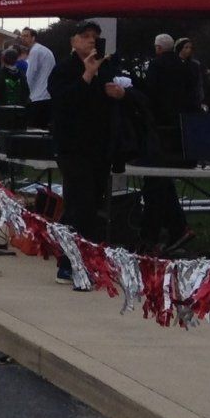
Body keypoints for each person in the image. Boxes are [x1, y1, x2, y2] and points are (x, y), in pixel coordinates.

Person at [48, 21, 128, 289]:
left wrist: (119, 94)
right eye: (85, 37)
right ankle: (70, 263)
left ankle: (81, 260)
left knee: (91, 206)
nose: (91, 41)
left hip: (99, 148)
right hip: (72, 148)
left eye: (95, 37)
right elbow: (63, 102)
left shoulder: (105, 66)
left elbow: (122, 90)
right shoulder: (64, 69)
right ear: (73, 41)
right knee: (78, 204)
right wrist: (86, 76)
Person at [21, 27, 56, 129]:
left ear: (33, 38)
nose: (23, 38)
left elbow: (30, 74)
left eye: (26, 36)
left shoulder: (35, 51)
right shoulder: (42, 50)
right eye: (22, 36)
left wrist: (24, 93)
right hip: (46, 95)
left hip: (38, 97)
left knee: (34, 130)